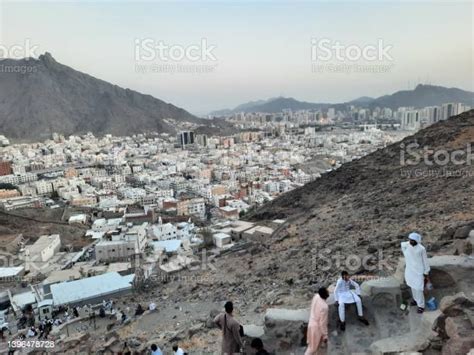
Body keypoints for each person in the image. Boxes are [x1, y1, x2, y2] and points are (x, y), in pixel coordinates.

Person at [401, 232, 430, 313]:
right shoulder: (407, 246)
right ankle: (415, 300)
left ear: (417, 240)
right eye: (410, 240)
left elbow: (425, 261)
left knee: (419, 289)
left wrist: (426, 271)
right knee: (412, 287)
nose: (410, 241)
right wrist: (409, 241)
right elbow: (403, 244)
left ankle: (421, 306)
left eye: (412, 240)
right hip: (410, 270)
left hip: (419, 272)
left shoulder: (421, 249)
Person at [305, 287, 330, 355]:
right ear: (325, 295)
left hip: (311, 323)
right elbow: (322, 323)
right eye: (327, 291)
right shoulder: (324, 307)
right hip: (316, 328)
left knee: (315, 347)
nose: (329, 291)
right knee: (312, 348)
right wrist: (325, 335)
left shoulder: (316, 296)